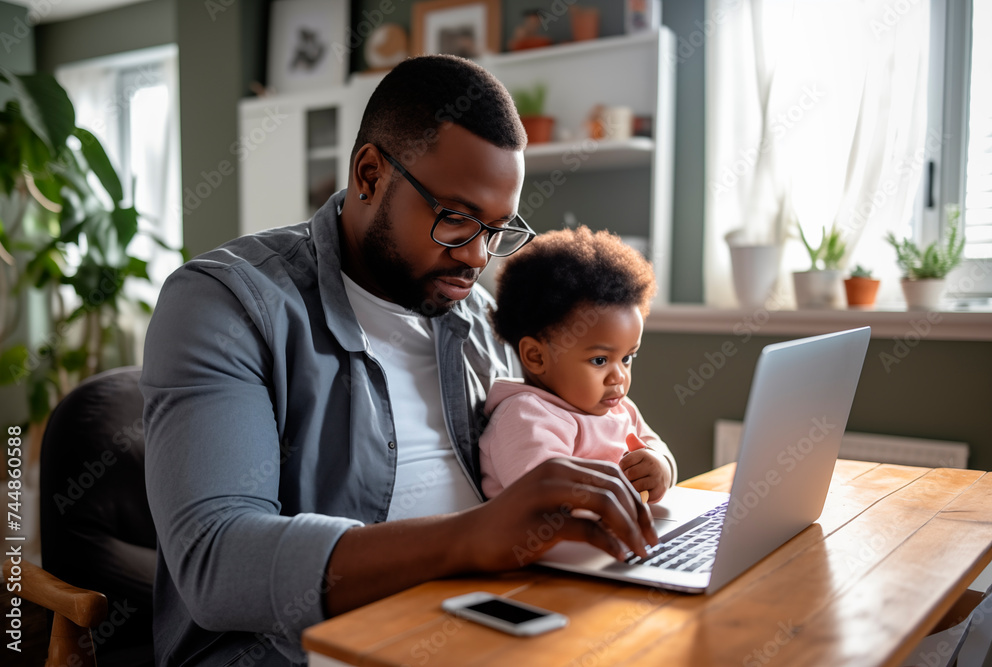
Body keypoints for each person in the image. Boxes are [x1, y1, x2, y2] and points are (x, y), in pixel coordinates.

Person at [141, 55, 659, 666]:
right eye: (458, 219)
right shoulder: (225, 304)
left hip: (480, 617)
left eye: (496, 230)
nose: (477, 257)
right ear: (369, 174)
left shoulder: (476, 317)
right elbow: (215, 561)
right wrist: (471, 539)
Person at [479, 227, 677, 503]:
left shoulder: (620, 408)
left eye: (627, 358)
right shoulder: (526, 417)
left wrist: (660, 467)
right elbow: (548, 502)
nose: (619, 376)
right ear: (536, 357)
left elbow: (657, 448)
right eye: (600, 360)